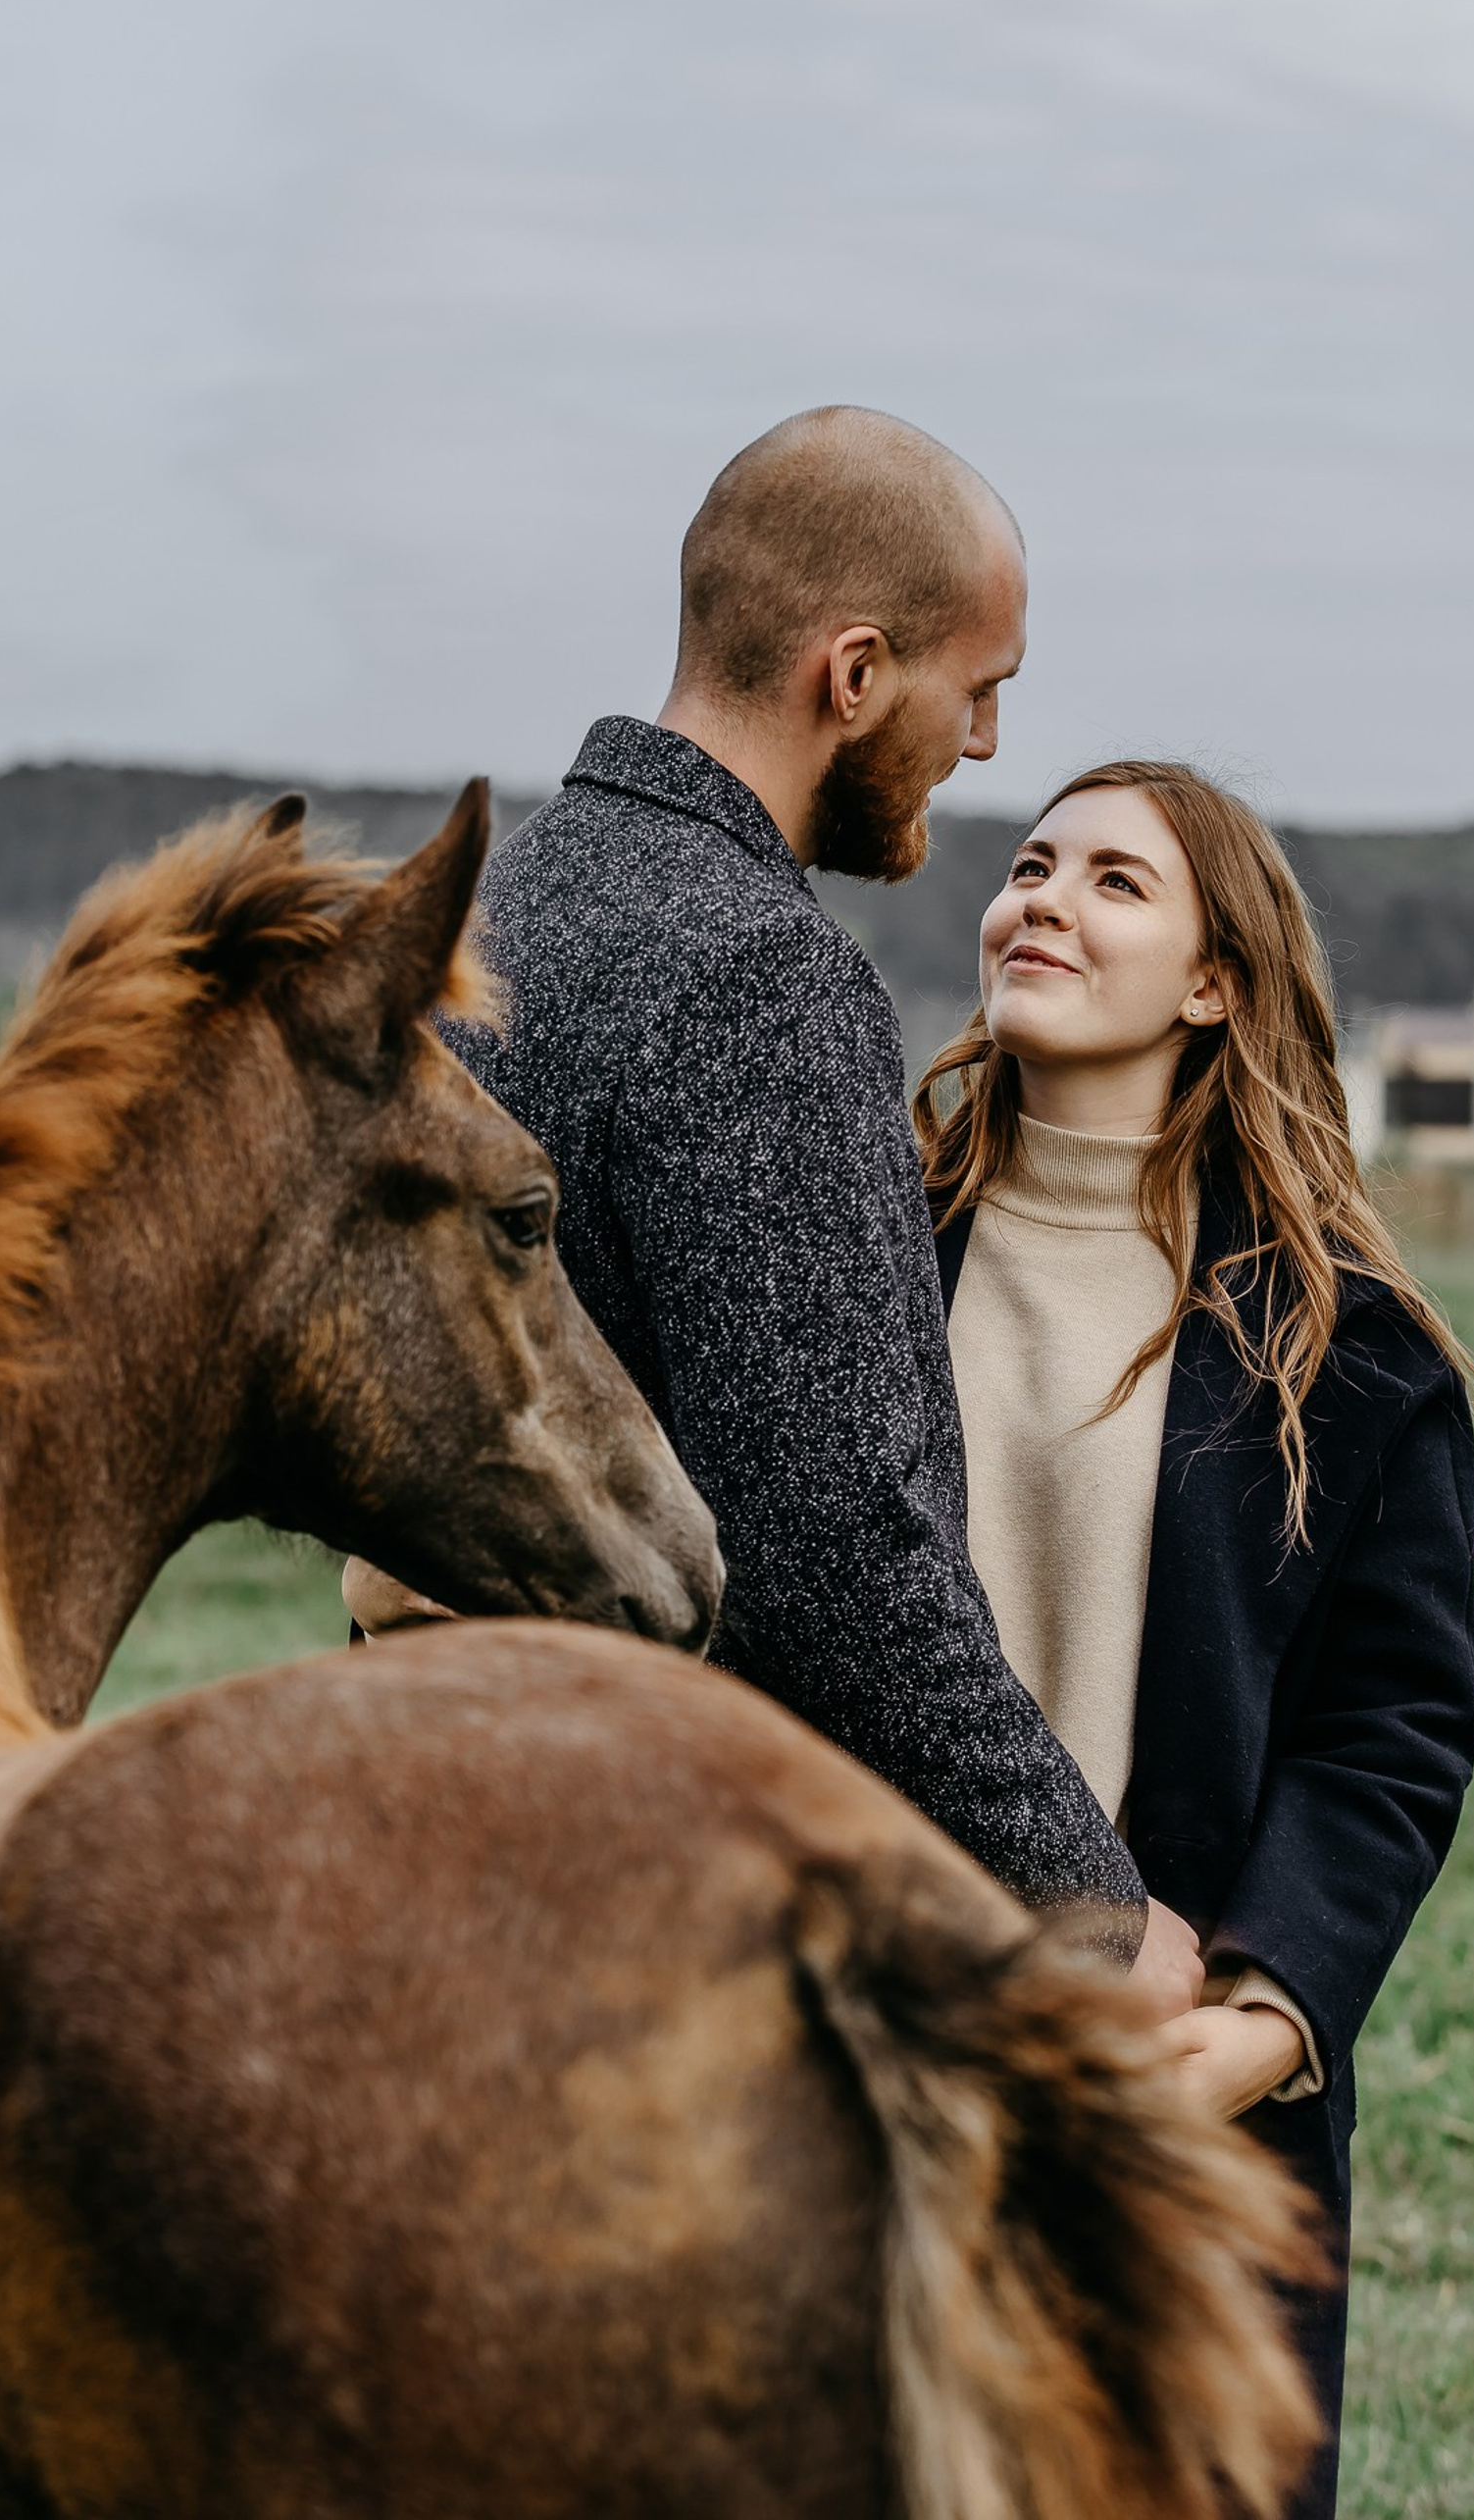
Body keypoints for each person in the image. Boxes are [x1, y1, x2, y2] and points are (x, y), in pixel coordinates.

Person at [348, 405, 1202, 2010]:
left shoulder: (505, 904)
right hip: (670, 1910)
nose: (989, 746)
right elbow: (828, 1537)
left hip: (440, 1814)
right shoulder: (762, 974)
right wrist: (1083, 1899)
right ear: (857, 673)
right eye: (981, 687)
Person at [914, 754, 1474, 2520]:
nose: (1045, 902)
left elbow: (1389, 1734)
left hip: (1180, 2092)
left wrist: (1261, 2021)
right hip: (890, 2042)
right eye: (1028, 865)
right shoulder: (867, 1252)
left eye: (1114, 882)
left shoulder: (1352, 1344)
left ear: (1217, 978)